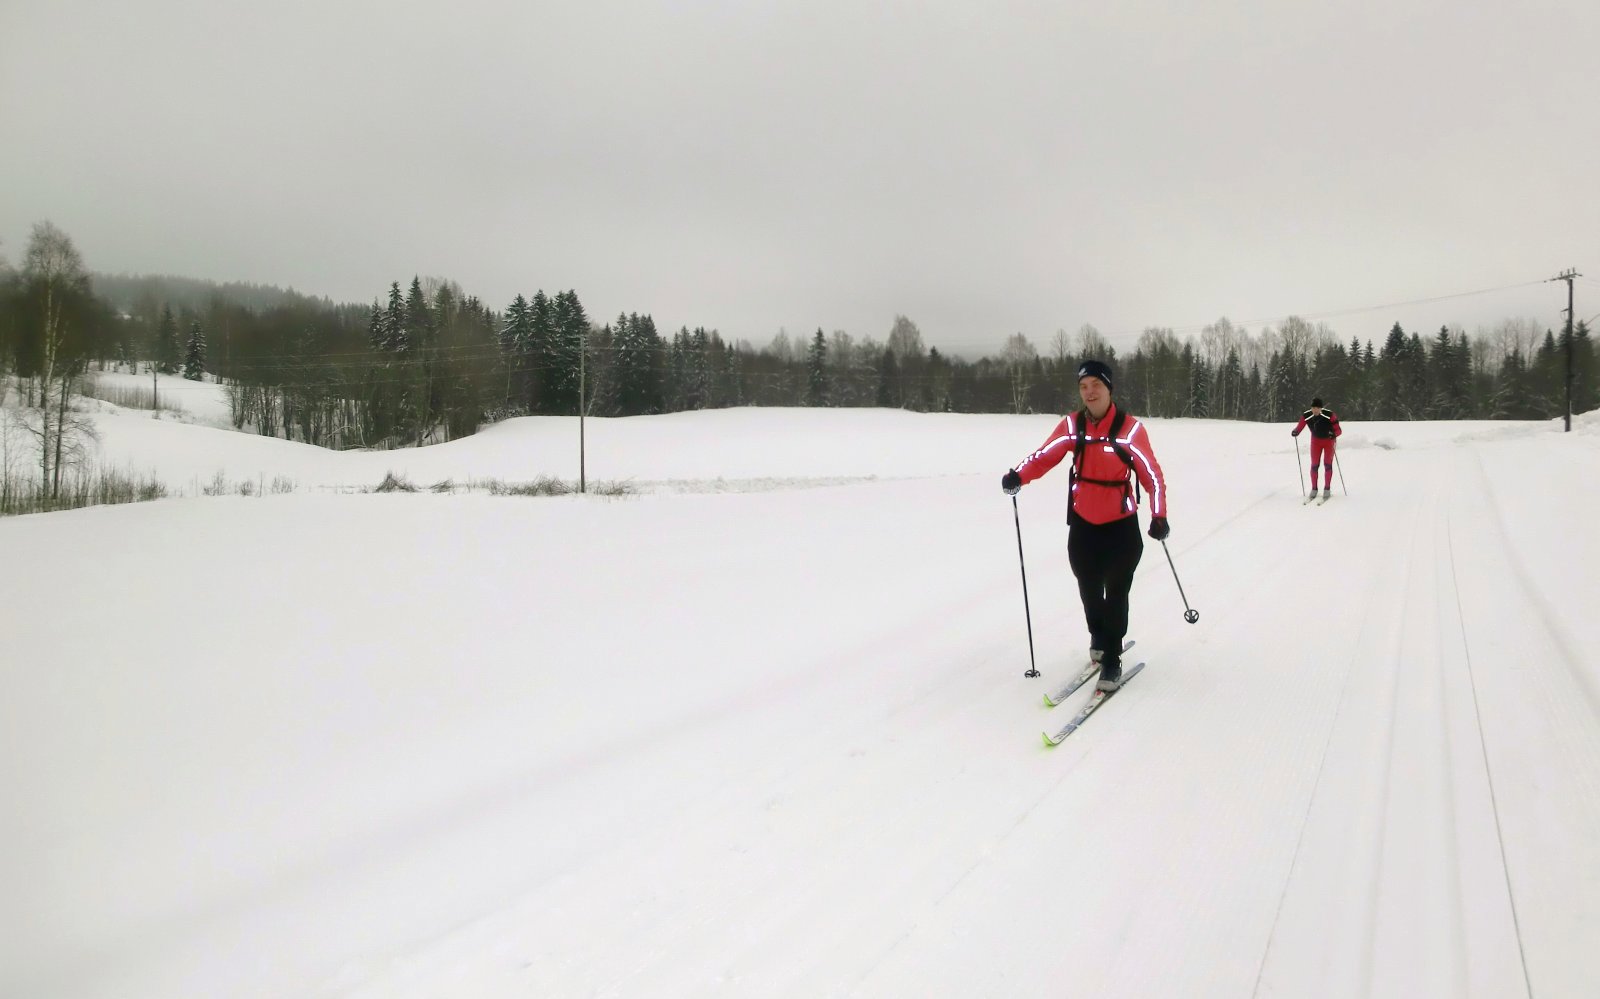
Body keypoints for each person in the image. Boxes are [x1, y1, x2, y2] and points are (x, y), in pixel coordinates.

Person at [1000, 360, 1168, 691]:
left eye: (1096, 385)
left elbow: (1151, 475)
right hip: (1084, 523)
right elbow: (1045, 455)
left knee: (1117, 590)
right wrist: (1019, 474)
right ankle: (1098, 634)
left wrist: (1159, 515)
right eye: (1083, 386)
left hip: (1121, 526)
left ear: (1109, 389)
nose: (1089, 392)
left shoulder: (1130, 429)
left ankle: (1112, 657)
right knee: (1088, 585)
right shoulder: (1072, 425)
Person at [1291, 397, 1341, 500]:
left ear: (1321, 408)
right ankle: (1314, 489)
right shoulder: (1307, 415)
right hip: (1315, 442)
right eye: (1313, 408)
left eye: (1318, 408)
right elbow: (1299, 427)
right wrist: (1296, 431)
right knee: (1314, 465)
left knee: (1327, 464)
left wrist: (1333, 434)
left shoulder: (1330, 415)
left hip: (1329, 442)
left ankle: (1327, 489)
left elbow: (1339, 430)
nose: (1315, 410)